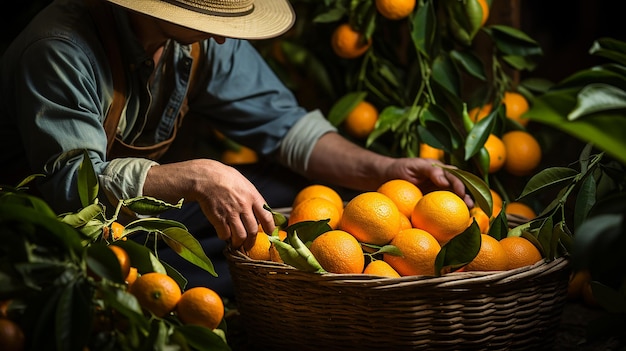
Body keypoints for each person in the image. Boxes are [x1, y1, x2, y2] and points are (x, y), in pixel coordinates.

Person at [0, 0, 473, 298]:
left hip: (135, 215)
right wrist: (198, 176)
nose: (224, 35)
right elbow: (70, 187)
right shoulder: (61, 47)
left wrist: (386, 169)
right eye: (206, 18)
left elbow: (288, 130)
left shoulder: (196, 40)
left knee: (306, 203)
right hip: (50, 228)